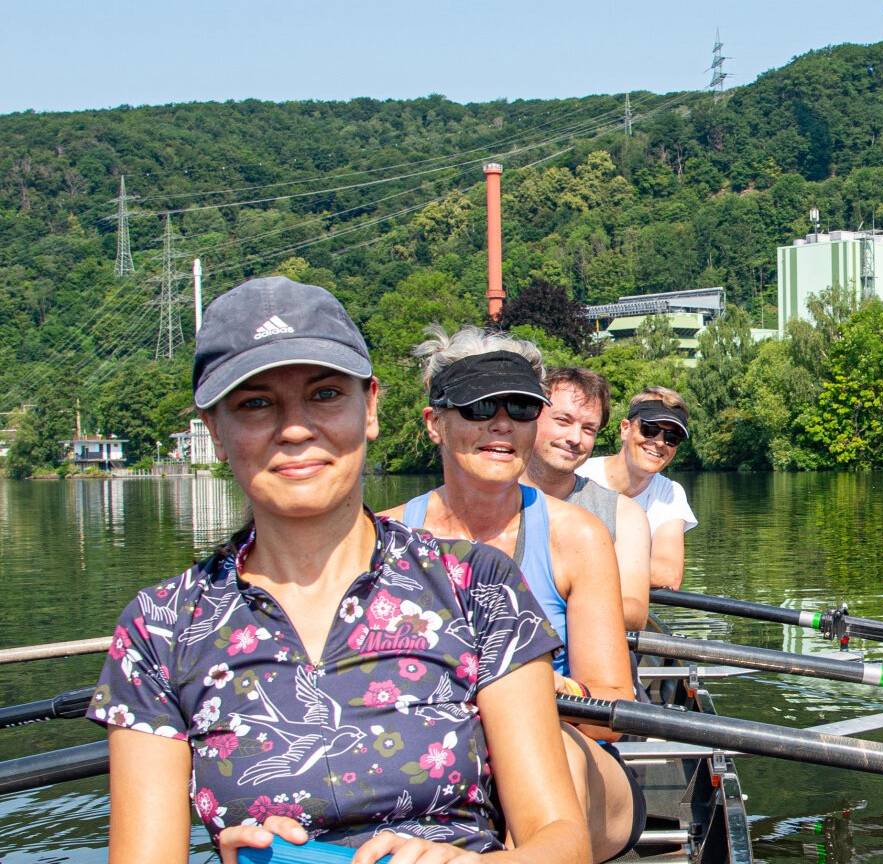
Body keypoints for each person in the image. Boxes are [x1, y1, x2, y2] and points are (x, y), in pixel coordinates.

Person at [89, 277, 588, 864]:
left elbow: (560, 840)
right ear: (214, 432)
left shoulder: (476, 585)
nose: (295, 428)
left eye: (325, 394)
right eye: (255, 403)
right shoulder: (160, 629)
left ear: (370, 407)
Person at [380, 326, 641, 862]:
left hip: (569, 753)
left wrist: (537, 690)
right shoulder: (381, 539)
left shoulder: (574, 536)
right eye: (478, 407)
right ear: (435, 423)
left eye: (521, 407)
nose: (501, 424)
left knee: (556, 753)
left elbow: (614, 709)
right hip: (437, 764)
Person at [520, 366, 654, 630]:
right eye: (563, 421)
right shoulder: (488, 498)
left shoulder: (623, 513)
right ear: (531, 416)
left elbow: (635, 612)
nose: (574, 438)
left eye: (589, 429)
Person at [575, 387, 695, 591]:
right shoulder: (579, 474)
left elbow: (668, 574)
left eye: (671, 437)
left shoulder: (670, 493)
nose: (658, 442)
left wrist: (579, 561)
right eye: (649, 429)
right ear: (625, 429)